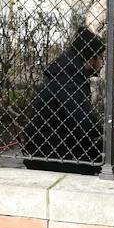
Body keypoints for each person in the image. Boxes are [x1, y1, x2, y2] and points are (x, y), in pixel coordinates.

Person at [23, 26, 105, 171]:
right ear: (89, 58)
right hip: (53, 153)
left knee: (110, 151)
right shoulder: (68, 79)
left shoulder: (67, 73)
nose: (102, 63)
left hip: (51, 146)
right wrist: (107, 131)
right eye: (101, 57)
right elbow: (84, 126)